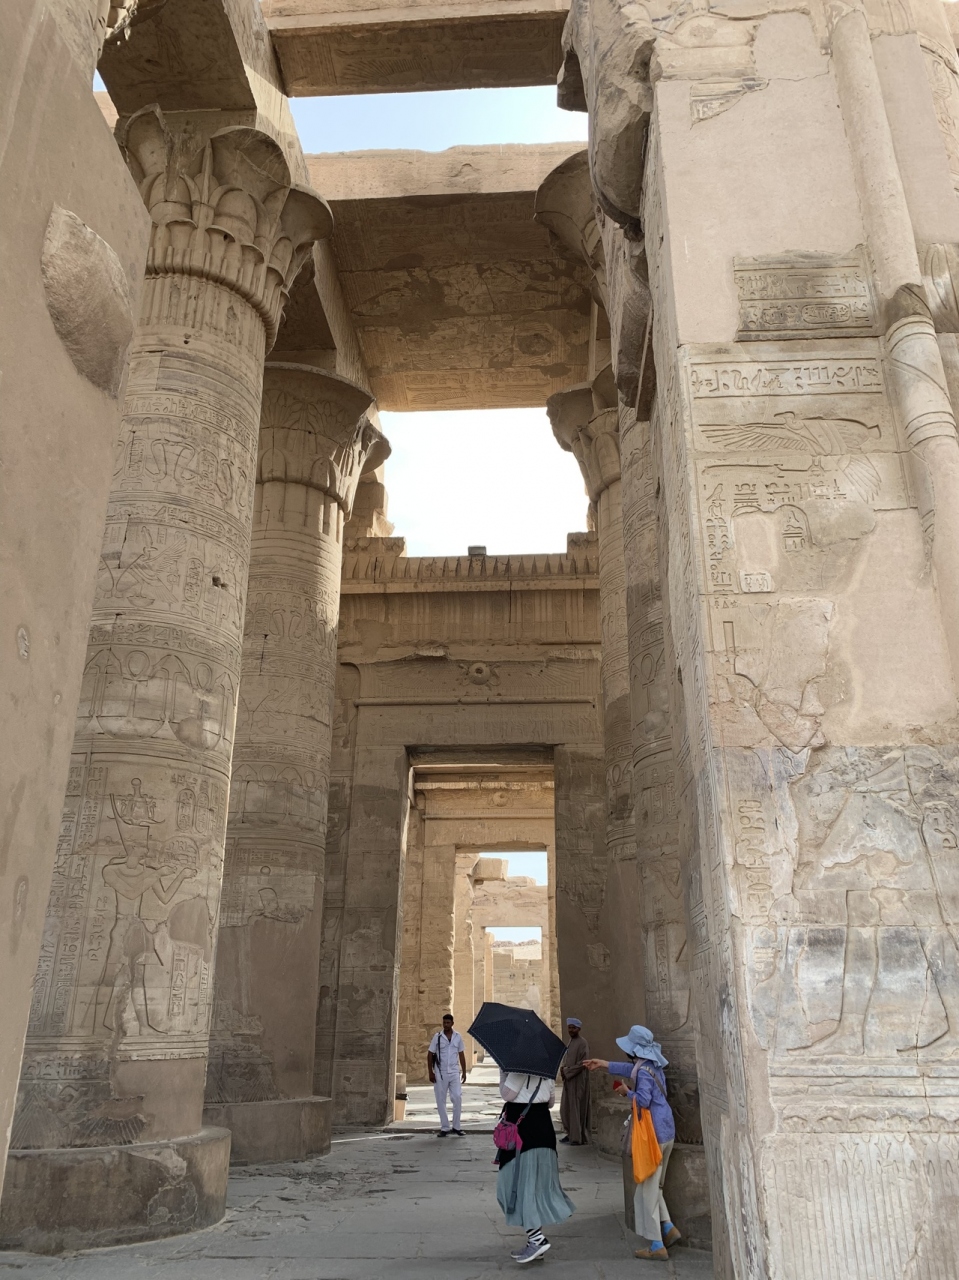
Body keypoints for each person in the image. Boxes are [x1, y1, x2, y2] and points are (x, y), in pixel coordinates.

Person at [585, 1025, 680, 1262]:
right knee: (656, 1185)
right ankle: (668, 1228)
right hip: (667, 1130)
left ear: (634, 1049)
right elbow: (630, 1069)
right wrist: (604, 1064)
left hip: (653, 1135)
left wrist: (626, 1092)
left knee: (646, 1191)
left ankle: (657, 1244)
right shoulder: (653, 1066)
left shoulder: (644, 1073)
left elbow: (643, 1100)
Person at [496, 1069, 575, 1264]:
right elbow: (550, 1102)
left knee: (513, 1186)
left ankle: (537, 1239)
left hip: (524, 1136)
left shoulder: (518, 1071)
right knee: (533, 1188)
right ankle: (534, 1242)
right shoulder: (546, 1073)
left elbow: (507, 1094)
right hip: (543, 1131)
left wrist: (503, 1074)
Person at [428, 1013, 467, 1136]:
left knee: (457, 1097)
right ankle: (445, 1127)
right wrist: (430, 1072)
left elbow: (461, 1054)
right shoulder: (437, 1037)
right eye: (444, 1022)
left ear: (452, 1023)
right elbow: (430, 1054)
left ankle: (456, 1127)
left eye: (448, 1023)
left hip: (454, 1072)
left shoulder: (458, 1037)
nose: (446, 1025)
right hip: (441, 1072)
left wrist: (464, 1071)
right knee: (441, 1100)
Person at [559, 1017, 590, 1145]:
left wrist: (567, 1071)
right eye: (569, 1027)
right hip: (569, 1080)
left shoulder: (582, 1043)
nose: (571, 1030)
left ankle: (577, 1138)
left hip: (577, 1080)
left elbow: (583, 1063)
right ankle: (570, 1134)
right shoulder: (570, 1042)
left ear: (579, 1029)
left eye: (573, 1028)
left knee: (576, 1108)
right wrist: (563, 1069)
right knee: (565, 1109)